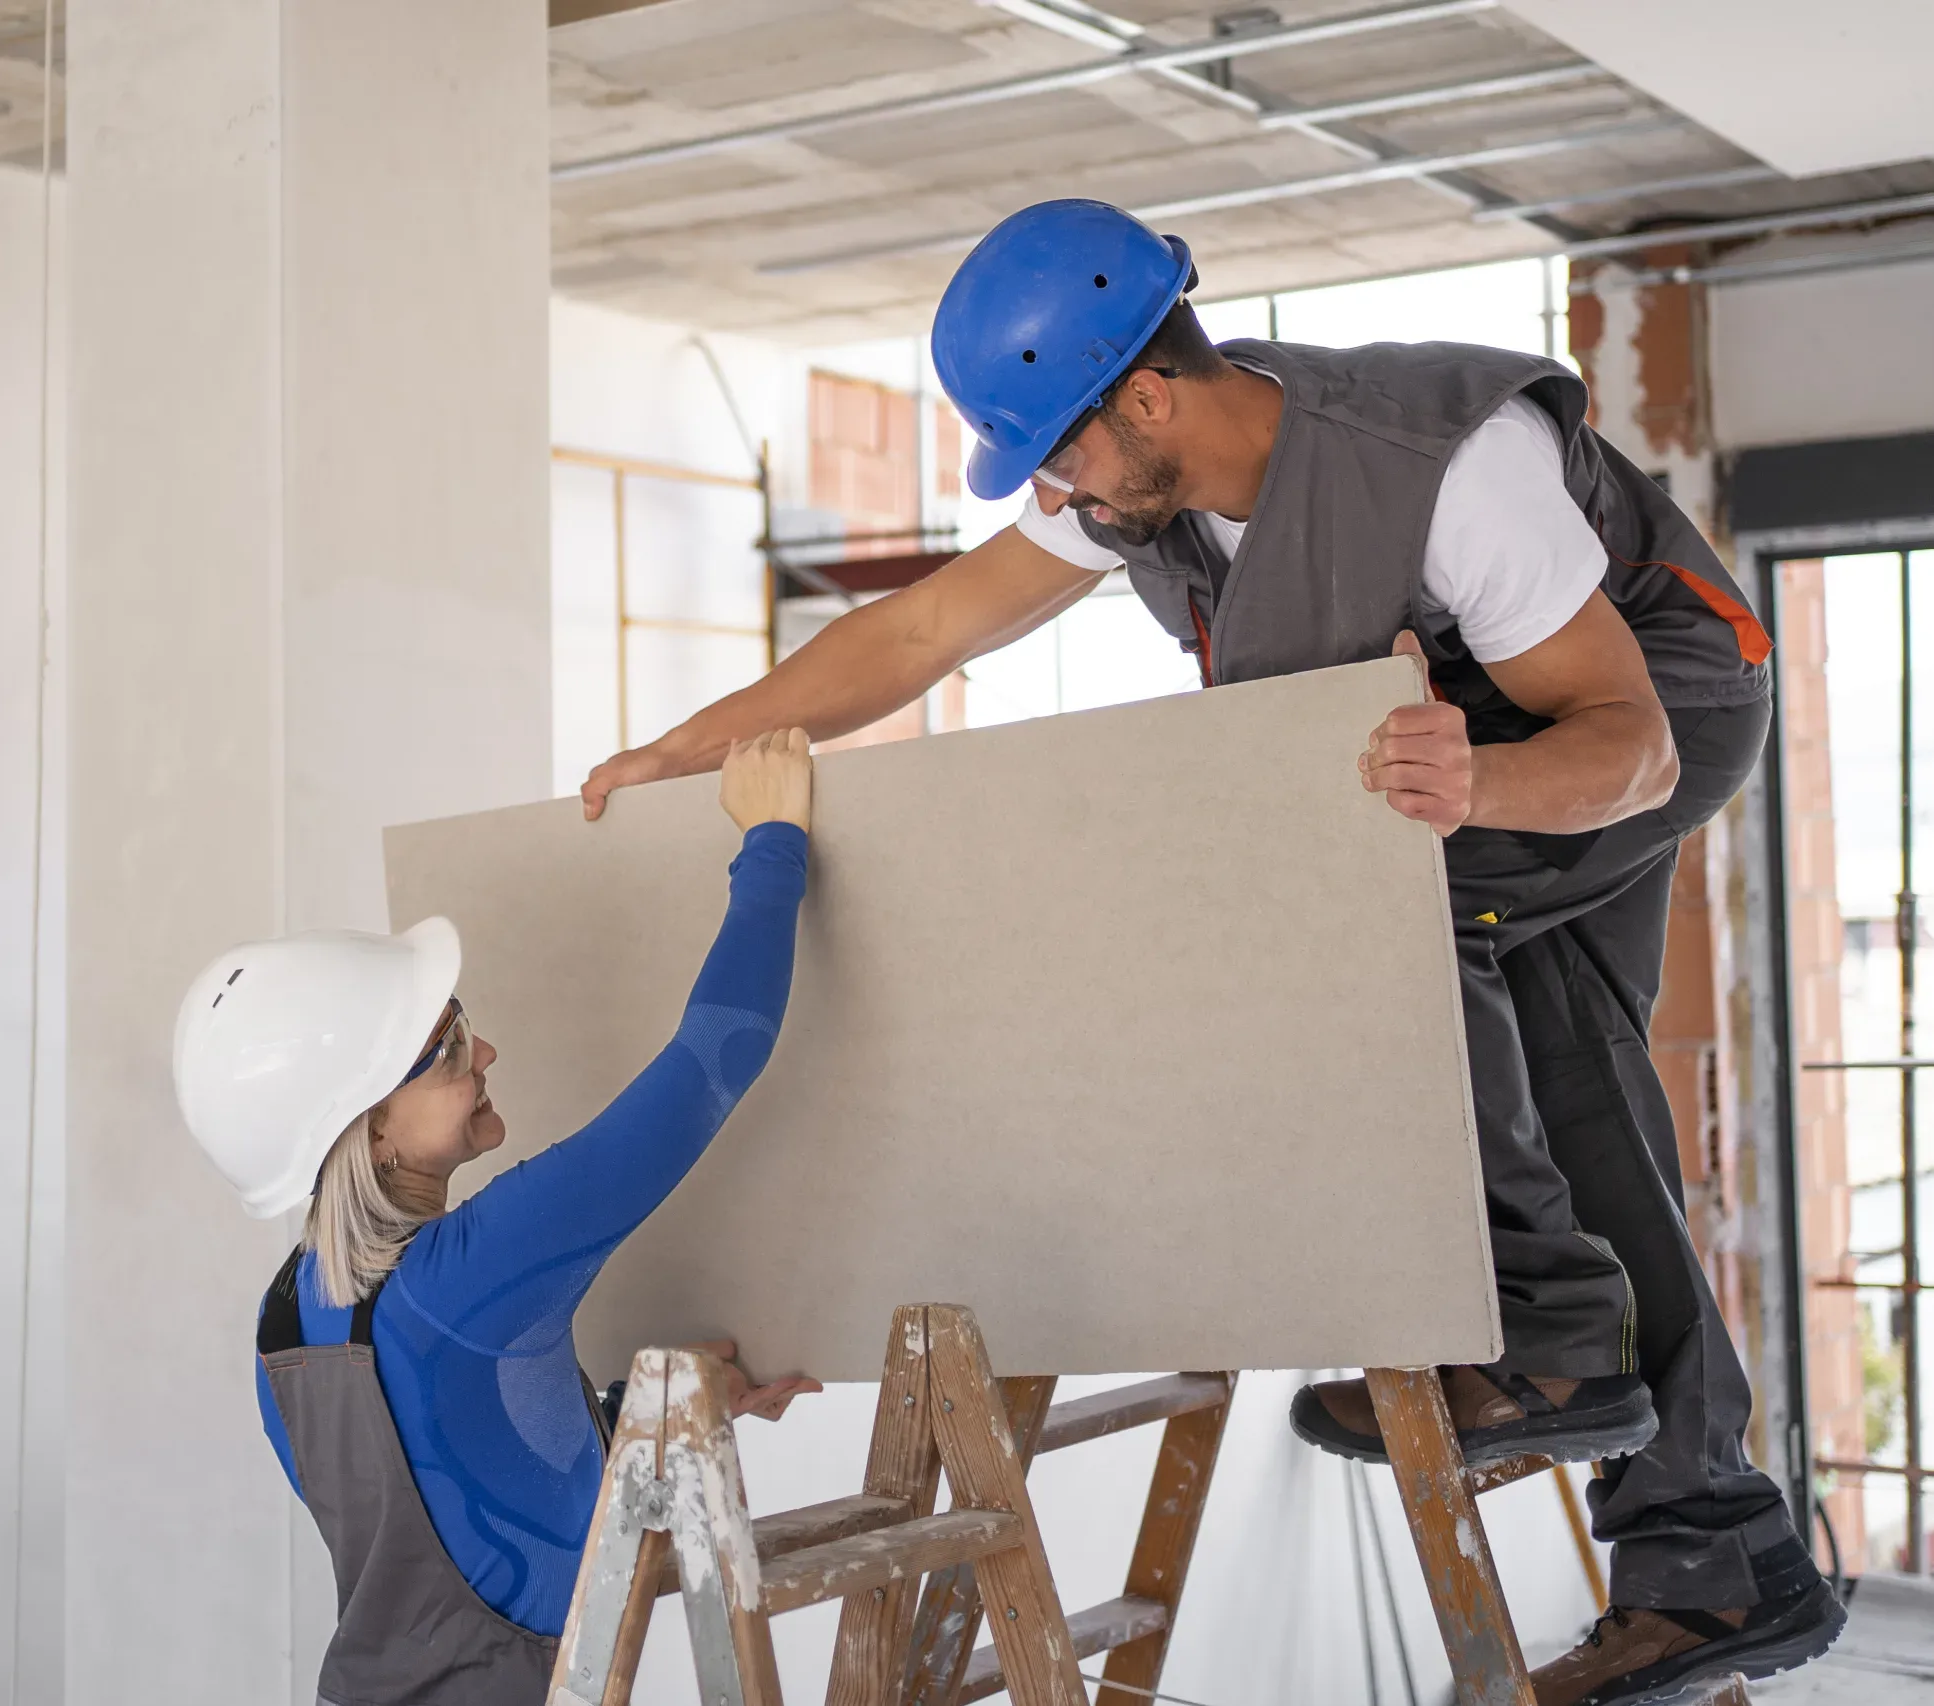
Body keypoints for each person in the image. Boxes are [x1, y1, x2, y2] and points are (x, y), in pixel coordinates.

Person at [579, 202, 1844, 1704]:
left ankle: (1556, 1333)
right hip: (1475, 722)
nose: (1055, 491)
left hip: (1651, 706)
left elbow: (1629, 744)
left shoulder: (1442, 475)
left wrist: (1479, 789)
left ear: (1145, 394)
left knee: (1359, 904)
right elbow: (924, 632)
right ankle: (1714, 1556)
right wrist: (687, 743)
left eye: (1062, 453)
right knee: (1575, 1088)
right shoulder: (1134, 485)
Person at [173, 731, 823, 1706]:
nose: (486, 1052)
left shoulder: (284, 1324)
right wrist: (773, 840)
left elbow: (459, 1484)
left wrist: (652, 1420)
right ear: (371, 1130)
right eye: (446, 1049)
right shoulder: (469, 1271)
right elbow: (712, 1060)